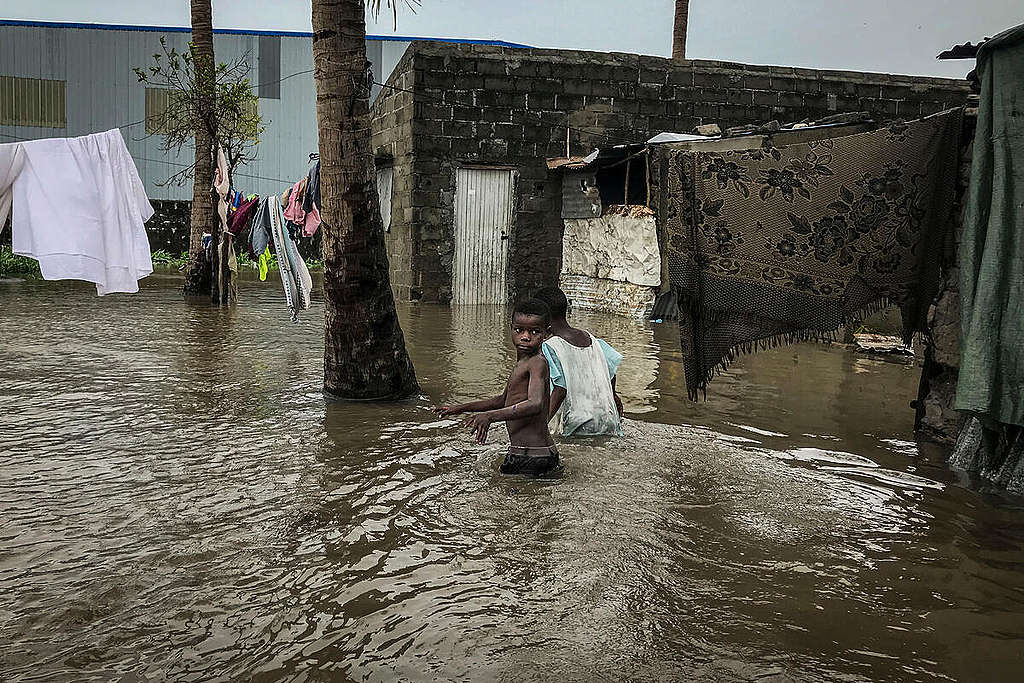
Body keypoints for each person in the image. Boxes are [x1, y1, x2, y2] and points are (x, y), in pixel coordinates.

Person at [436, 299, 561, 476]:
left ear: (546, 334)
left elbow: (535, 403)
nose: (525, 337)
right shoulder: (523, 363)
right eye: (519, 330)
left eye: (534, 332)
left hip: (532, 458)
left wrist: (490, 417)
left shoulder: (537, 363)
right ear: (510, 328)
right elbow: (502, 400)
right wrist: (459, 408)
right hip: (534, 454)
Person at [533, 286, 624, 437]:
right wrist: (613, 395)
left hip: (577, 426)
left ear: (542, 319)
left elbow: (560, 390)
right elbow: (612, 372)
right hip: (609, 421)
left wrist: (539, 430)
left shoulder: (549, 348)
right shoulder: (594, 341)